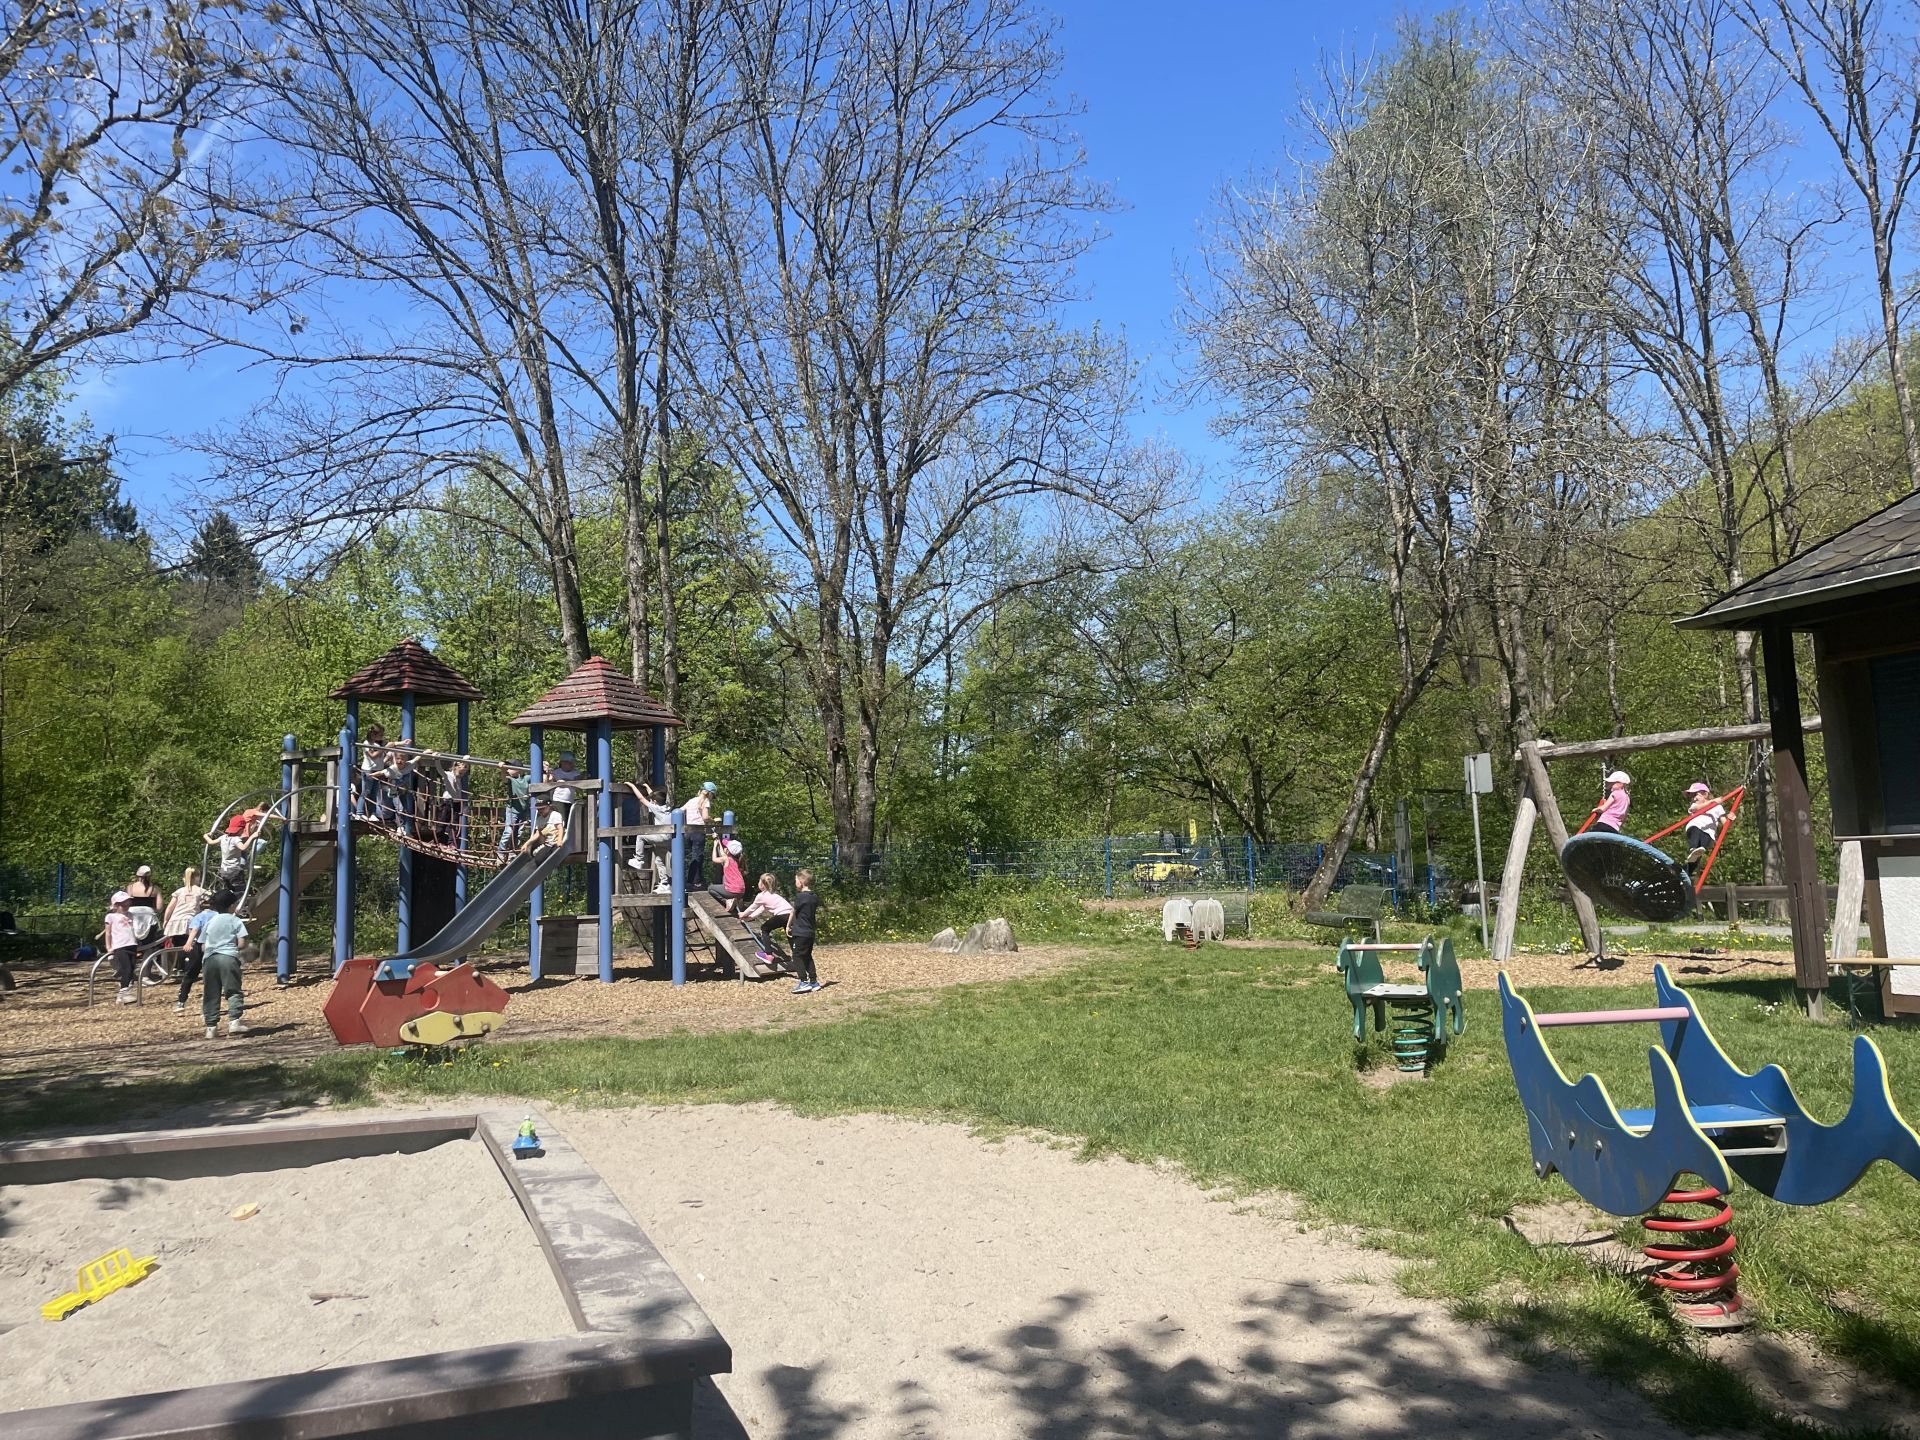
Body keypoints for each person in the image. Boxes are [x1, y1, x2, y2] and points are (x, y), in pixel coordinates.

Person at [197, 889, 251, 1039]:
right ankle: (234, 1022)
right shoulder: (235, 920)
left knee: (210, 992)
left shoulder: (210, 921)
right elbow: (242, 943)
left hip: (209, 959)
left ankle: (211, 1027)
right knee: (233, 990)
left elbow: (202, 945)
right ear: (232, 906)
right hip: (228, 957)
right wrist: (232, 945)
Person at [624, 782, 673, 891]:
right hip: (670, 840)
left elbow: (641, 799)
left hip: (662, 837)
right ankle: (664, 884)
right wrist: (647, 787)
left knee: (641, 836)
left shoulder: (656, 809)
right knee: (659, 861)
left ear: (654, 802)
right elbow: (654, 797)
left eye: (652, 801)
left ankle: (639, 859)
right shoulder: (667, 808)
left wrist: (632, 786)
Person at [738, 873, 794, 966]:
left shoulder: (761, 896)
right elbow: (760, 909)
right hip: (791, 916)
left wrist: (743, 914)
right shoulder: (772, 895)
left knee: (764, 929)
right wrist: (749, 918)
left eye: (759, 881)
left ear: (762, 884)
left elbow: (752, 907)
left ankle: (768, 954)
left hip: (782, 915)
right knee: (790, 935)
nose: (758, 883)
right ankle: (797, 956)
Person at [100, 890, 140, 1004]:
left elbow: (134, 929)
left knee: (131, 969)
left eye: (128, 903)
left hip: (132, 944)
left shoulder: (131, 915)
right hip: (120, 946)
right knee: (126, 968)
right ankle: (123, 992)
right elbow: (108, 933)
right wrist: (109, 947)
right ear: (116, 905)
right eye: (123, 904)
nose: (126, 906)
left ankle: (126, 991)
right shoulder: (110, 917)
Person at [788, 869, 821, 994]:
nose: (795, 883)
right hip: (810, 931)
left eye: (796, 880)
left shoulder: (800, 897)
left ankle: (803, 981)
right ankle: (814, 981)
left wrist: (788, 925)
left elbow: (793, 911)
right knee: (807, 955)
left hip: (800, 931)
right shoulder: (814, 897)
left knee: (796, 956)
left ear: (801, 882)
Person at [1682, 781, 1727, 865]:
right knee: (1695, 832)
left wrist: (1730, 819)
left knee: (1702, 846)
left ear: (1705, 794)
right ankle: (1693, 849)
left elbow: (1725, 823)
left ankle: (1694, 859)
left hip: (1708, 832)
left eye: (1695, 795)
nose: (1694, 798)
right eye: (1692, 797)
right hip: (1694, 827)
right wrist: (1712, 801)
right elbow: (1696, 809)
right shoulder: (1694, 805)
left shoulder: (1717, 807)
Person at [682, 780, 717, 885]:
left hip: (687, 831)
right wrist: (713, 820)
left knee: (687, 856)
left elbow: (680, 810)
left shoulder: (691, 800)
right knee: (698, 856)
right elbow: (705, 817)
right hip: (698, 831)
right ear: (710, 793)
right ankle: (695, 881)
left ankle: (684, 880)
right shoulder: (705, 801)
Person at [708, 835, 747, 913]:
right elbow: (723, 853)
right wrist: (718, 840)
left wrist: (715, 846)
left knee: (710, 888)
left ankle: (727, 901)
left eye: (726, 847)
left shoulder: (726, 859)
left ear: (728, 851)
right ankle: (736, 901)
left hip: (732, 891)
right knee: (725, 879)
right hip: (742, 891)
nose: (725, 848)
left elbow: (714, 859)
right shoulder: (738, 859)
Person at [500, 763, 533, 853]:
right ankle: (501, 851)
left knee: (519, 833)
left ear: (518, 770)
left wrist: (544, 770)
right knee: (508, 831)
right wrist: (503, 769)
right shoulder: (510, 779)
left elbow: (540, 778)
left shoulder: (526, 778)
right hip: (512, 810)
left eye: (510, 768)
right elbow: (504, 778)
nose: (508, 770)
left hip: (523, 810)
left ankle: (512, 852)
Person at [1593, 770, 1631, 834]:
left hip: (1604, 823)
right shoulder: (1627, 799)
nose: (1610, 785)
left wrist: (1595, 809)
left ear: (1620, 784)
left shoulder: (1615, 793)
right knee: (1607, 843)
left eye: (1612, 783)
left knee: (1589, 840)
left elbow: (1603, 809)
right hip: (1615, 828)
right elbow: (1624, 817)